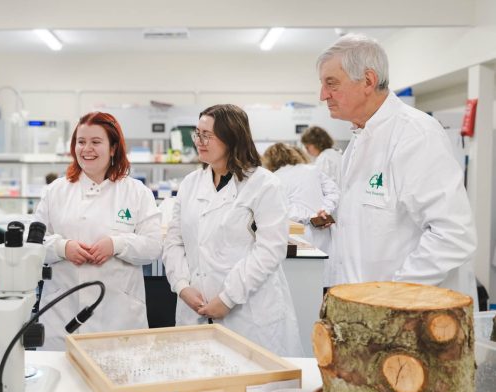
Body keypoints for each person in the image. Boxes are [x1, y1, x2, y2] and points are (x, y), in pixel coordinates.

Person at [317, 34, 477, 300]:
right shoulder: (359, 140)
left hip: (404, 315)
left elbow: (453, 235)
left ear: (368, 80)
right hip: (360, 307)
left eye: (331, 84)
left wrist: (390, 296)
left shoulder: (415, 134)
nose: (323, 95)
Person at [163, 104, 302, 356]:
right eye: (198, 133)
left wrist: (228, 298)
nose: (199, 141)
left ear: (231, 138)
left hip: (248, 315)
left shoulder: (264, 184)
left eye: (207, 135)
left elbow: (270, 250)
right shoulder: (190, 184)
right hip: (195, 308)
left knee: (251, 386)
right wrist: (182, 285)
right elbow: (174, 242)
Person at [33, 112, 162, 350]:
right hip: (63, 314)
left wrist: (117, 244)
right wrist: (63, 248)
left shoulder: (135, 192)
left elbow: (153, 245)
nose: (86, 149)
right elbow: (31, 246)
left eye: (95, 142)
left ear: (113, 148)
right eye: (81, 142)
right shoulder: (55, 191)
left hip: (118, 317)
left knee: (119, 381)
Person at [262, 142, 339, 286]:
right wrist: (324, 211)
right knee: (325, 282)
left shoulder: (273, 179)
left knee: (304, 285)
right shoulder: (313, 170)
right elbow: (334, 191)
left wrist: (309, 217)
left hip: (299, 235)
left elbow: (283, 209)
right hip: (324, 229)